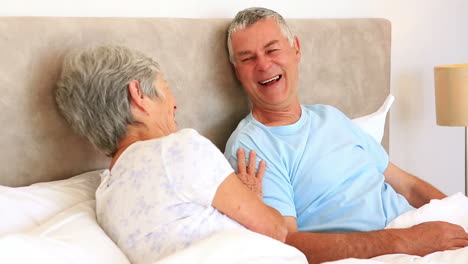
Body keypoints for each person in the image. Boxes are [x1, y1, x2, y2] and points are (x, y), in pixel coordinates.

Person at [223, 7, 468, 264]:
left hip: (420, 230)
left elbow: (407, 186)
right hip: (384, 252)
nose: (263, 64)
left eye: (272, 50)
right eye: (247, 58)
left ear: (296, 49)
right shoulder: (250, 148)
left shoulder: (330, 116)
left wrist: (456, 215)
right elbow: (285, 242)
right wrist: (404, 240)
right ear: (236, 71)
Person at [54, 44, 287, 264]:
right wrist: (253, 198)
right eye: (166, 87)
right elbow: (276, 230)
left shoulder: (105, 198)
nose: (175, 105)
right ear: (138, 94)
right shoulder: (178, 149)